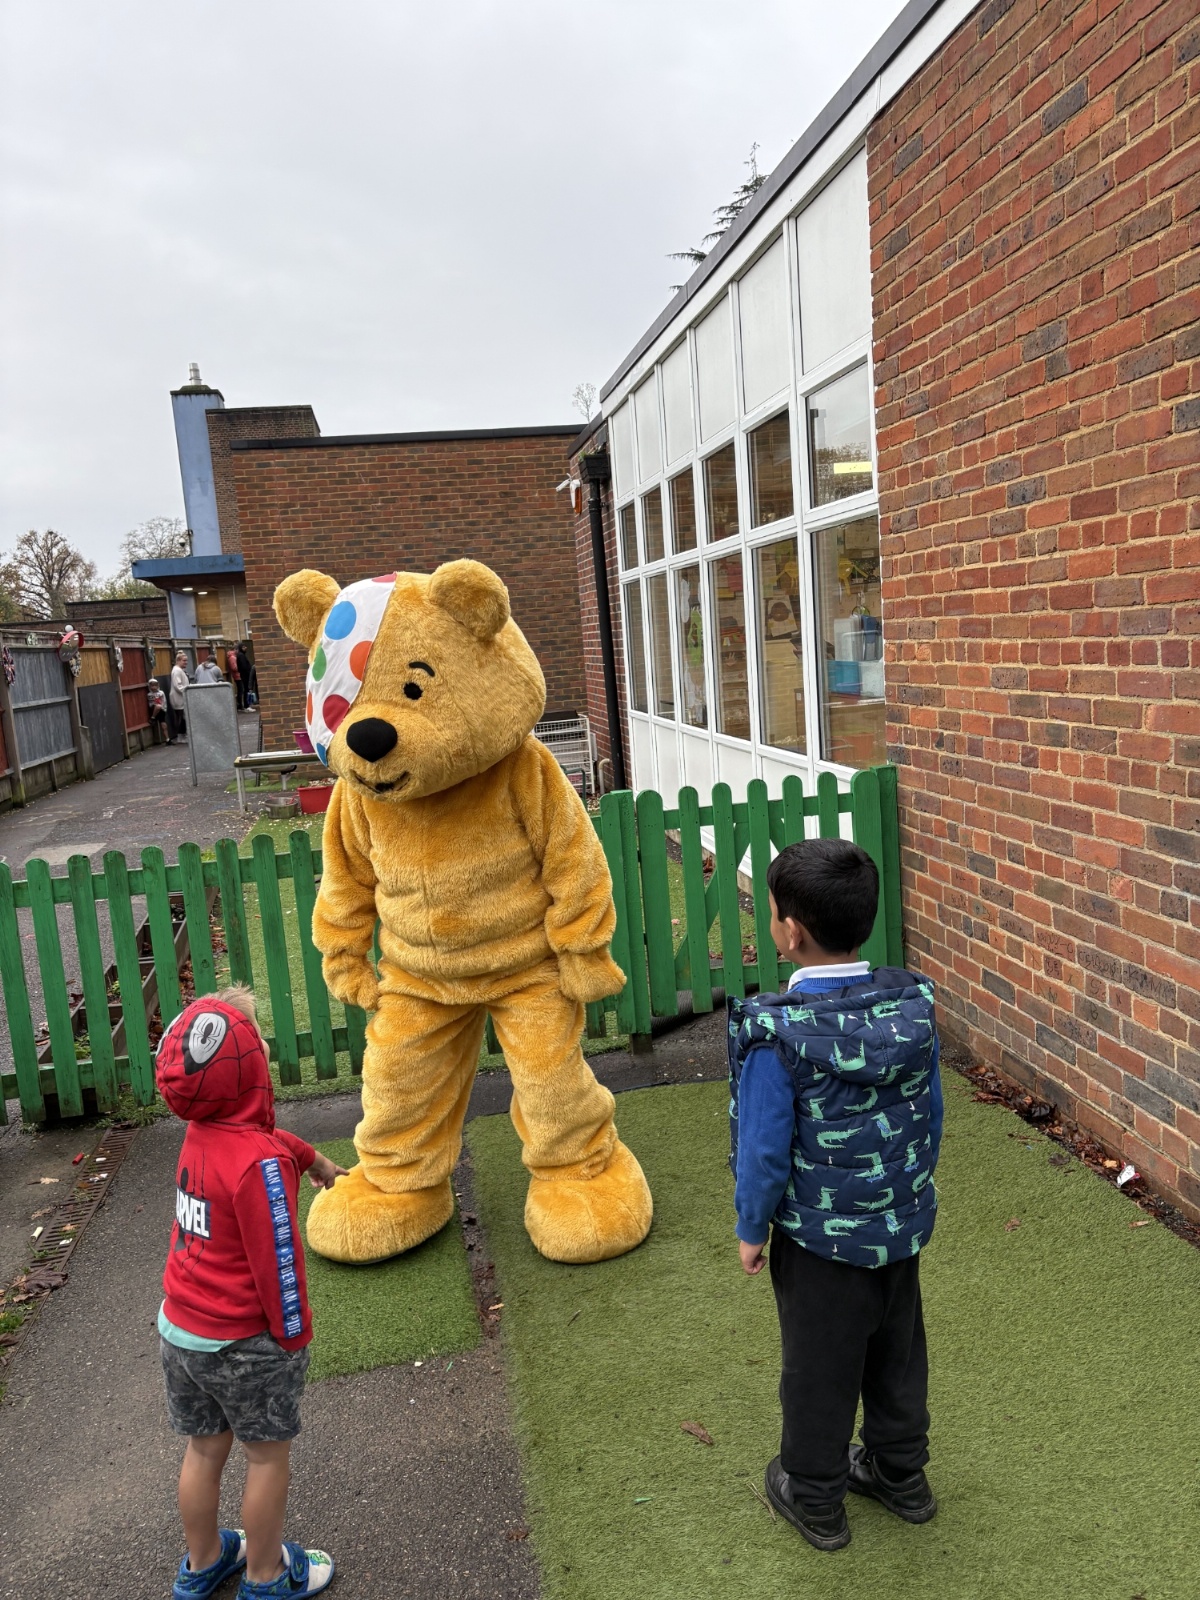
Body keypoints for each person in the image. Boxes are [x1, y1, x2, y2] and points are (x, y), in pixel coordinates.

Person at [728, 838, 943, 1552]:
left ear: (791, 932)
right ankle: (901, 1477)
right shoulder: (909, 1008)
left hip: (820, 1245)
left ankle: (816, 1498)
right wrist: (908, 1194)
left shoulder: (778, 1035)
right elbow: (932, 1115)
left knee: (819, 1369)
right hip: (899, 1230)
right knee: (897, 1354)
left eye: (770, 914)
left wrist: (752, 1227)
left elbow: (763, 1150)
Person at [156, 985, 346, 1598]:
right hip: (243, 1342)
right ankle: (266, 1577)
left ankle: (203, 1562)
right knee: (266, 1458)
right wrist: (295, 1336)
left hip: (181, 1331)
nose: (263, 1044)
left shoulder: (201, 1130)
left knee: (204, 1451)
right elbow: (279, 1264)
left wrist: (313, 1159)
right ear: (245, 1068)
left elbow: (267, 1139)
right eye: (256, 1040)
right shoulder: (259, 1169)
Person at [170, 652, 191, 740]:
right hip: (179, 698)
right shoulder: (177, 671)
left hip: (181, 698)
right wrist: (187, 691)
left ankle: (183, 736)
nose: (186, 662)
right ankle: (181, 736)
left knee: (183, 717)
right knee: (182, 717)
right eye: (184, 660)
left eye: (186, 660)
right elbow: (178, 686)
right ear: (178, 660)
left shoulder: (179, 670)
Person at [148, 678, 172, 744]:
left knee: (163, 724)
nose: (154, 687)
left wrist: (164, 709)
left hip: (161, 709)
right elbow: (151, 703)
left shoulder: (161, 693)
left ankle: (167, 739)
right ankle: (153, 718)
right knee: (157, 706)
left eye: (155, 685)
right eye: (152, 686)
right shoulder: (149, 694)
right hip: (154, 708)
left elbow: (164, 701)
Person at [227, 646, 244, 711]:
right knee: (240, 690)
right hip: (238, 676)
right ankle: (240, 705)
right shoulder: (232, 657)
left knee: (240, 690)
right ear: (235, 650)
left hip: (237, 675)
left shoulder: (232, 657)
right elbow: (234, 668)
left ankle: (240, 704)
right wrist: (240, 668)